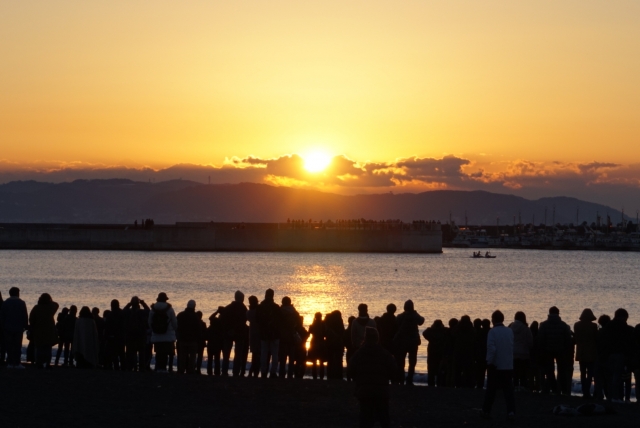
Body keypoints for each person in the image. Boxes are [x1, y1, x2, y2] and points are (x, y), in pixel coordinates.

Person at [348, 327, 397, 428]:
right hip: (381, 391)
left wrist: (358, 380)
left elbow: (350, 370)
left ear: (365, 338)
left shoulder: (359, 353)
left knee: (365, 418)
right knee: (384, 418)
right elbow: (394, 371)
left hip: (364, 391)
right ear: (377, 338)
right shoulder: (385, 353)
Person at [481, 310, 515, 421]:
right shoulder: (509, 331)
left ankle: (486, 411)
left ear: (493, 320)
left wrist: (489, 362)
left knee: (491, 391)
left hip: (496, 366)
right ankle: (511, 411)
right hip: (508, 365)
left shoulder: (492, 332)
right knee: (508, 391)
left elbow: (492, 349)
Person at [601, 308, 635, 403]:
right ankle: (616, 397)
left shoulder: (608, 327)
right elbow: (628, 342)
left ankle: (611, 396)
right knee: (617, 376)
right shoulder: (625, 328)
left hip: (608, 354)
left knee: (610, 377)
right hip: (619, 354)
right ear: (623, 317)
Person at [537, 306, 572, 395]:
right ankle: (562, 389)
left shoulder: (544, 325)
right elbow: (568, 339)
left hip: (547, 351)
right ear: (558, 313)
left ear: (549, 313)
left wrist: (542, 350)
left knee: (549, 371)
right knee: (561, 370)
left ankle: (553, 388)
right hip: (561, 350)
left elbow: (540, 339)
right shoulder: (563, 325)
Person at [394, 300, 424, 386]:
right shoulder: (415, 316)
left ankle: (401, 378)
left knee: (401, 361)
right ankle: (409, 379)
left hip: (402, 342)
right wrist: (415, 312)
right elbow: (421, 321)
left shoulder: (401, 316)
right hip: (413, 342)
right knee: (412, 362)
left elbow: (396, 322)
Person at [221, 291, 248, 377]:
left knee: (226, 354)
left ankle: (224, 371)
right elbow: (244, 321)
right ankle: (236, 371)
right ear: (241, 299)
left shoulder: (228, 307)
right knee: (238, 354)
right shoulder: (243, 308)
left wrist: (229, 330)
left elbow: (223, 320)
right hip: (239, 333)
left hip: (229, 333)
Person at [29, 293, 59, 369]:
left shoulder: (36, 308)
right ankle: (47, 363)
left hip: (38, 330)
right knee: (48, 348)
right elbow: (56, 304)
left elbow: (31, 319)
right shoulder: (51, 308)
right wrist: (50, 301)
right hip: (49, 330)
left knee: (39, 348)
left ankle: (39, 363)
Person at [149, 292, 177, 374]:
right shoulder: (170, 309)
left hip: (156, 335)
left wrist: (154, 329)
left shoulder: (153, 309)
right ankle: (164, 368)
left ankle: (158, 368)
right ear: (165, 299)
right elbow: (174, 322)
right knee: (165, 353)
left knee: (158, 352)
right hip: (168, 335)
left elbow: (150, 322)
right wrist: (173, 329)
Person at [0, 287, 29, 369]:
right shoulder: (22, 303)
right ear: (17, 293)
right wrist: (25, 325)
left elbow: (2, 316)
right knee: (17, 346)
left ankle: (10, 362)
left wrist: (2, 325)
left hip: (7, 327)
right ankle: (17, 362)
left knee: (9, 346)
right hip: (18, 327)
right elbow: (25, 315)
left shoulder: (5, 303)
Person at [573, 308, 598, 399]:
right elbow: (596, 339)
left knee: (582, 373)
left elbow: (576, 337)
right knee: (591, 373)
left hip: (581, 352)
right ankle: (588, 390)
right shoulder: (594, 326)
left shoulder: (577, 325)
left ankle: (585, 391)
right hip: (591, 353)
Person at [257, 288, 281, 378]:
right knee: (274, 354)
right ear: (273, 296)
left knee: (264, 353)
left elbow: (257, 319)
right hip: (274, 334)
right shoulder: (276, 307)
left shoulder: (261, 307)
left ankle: (263, 371)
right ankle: (273, 372)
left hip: (264, 334)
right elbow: (280, 321)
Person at [123, 296, 150, 372]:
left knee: (130, 352)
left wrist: (129, 304)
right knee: (141, 352)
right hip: (141, 335)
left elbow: (123, 312)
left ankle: (130, 367)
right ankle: (141, 368)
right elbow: (148, 311)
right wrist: (143, 303)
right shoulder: (141, 312)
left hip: (130, 335)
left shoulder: (128, 312)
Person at [508, 311, 533, 390]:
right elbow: (530, 342)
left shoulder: (510, 327)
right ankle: (522, 387)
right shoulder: (526, 329)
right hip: (524, 354)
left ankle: (514, 386)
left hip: (513, 354)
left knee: (514, 372)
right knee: (523, 373)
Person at [278, 296, 300, 379]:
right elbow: (299, 323)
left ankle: (282, 373)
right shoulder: (294, 312)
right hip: (291, 336)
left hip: (282, 336)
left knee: (282, 356)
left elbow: (277, 323)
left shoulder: (280, 311)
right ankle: (290, 373)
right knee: (291, 357)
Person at [176, 300, 200, 374]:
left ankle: (181, 369)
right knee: (192, 356)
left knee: (182, 355)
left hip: (182, 338)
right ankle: (190, 370)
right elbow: (198, 329)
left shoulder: (180, 315)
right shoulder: (196, 316)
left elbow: (176, 326)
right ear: (194, 306)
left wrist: (178, 336)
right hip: (193, 340)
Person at [453, 315, 476, 388]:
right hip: (469, 353)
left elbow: (453, 335)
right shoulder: (472, 330)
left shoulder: (457, 329)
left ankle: (457, 384)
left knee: (458, 370)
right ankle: (469, 384)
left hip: (458, 352)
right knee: (469, 370)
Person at [423, 319, 446, 387]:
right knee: (440, 368)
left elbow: (424, 333)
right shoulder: (444, 331)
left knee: (431, 367)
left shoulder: (430, 331)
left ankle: (431, 383)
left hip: (432, 351)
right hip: (441, 351)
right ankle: (440, 383)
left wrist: (431, 328)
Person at [104, 299, 126, 370]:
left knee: (114, 353)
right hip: (121, 336)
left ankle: (116, 367)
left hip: (112, 337)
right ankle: (123, 367)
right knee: (122, 353)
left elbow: (107, 327)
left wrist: (106, 336)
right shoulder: (122, 313)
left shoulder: (110, 315)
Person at [324, 310, 345, 380]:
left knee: (330, 360)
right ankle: (339, 376)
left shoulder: (328, 320)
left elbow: (325, 332)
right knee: (339, 360)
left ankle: (329, 376)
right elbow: (342, 331)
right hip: (338, 342)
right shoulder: (339, 320)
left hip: (329, 342)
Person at [594, 314, 611, 400]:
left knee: (598, 378)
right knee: (607, 378)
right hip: (608, 357)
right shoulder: (610, 333)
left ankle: (599, 395)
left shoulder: (598, 332)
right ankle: (608, 395)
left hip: (598, 356)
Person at [206, 307, 225, 376]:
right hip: (218, 344)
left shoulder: (211, 327)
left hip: (211, 344)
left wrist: (217, 312)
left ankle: (209, 371)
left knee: (210, 359)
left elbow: (211, 317)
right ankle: (217, 372)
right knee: (217, 359)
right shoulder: (220, 325)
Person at [246, 295, 261, 377]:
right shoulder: (258, 310)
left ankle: (252, 372)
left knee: (255, 354)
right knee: (258, 354)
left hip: (252, 334)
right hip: (258, 334)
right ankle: (255, 372)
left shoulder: (249, 312)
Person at [308, 312, 326, 380]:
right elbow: (325, 334)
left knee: (314, 361)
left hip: (314, 342)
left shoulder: (313, 325)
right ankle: (321, 376)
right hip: (321, 342)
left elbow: (309, 333)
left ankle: (314, 376)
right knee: (321, 361)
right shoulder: (323, 324)